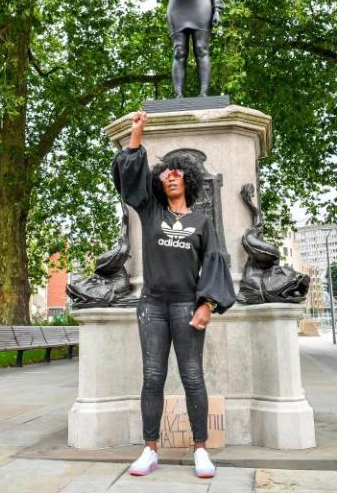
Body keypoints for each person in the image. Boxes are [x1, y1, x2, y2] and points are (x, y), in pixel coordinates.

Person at [112, 110, 235, 478]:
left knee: (193, 376)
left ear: (189, 180)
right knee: (152, 377)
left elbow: (215, 261)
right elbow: (130, 182)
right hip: (151, 306)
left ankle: (200, 449)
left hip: (186, 307)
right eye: (165, 173)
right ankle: (150, 450)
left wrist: (207, 304)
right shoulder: (150, 212)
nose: (171, 176)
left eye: (178, 172)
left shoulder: (201, 222)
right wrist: (136, 137)